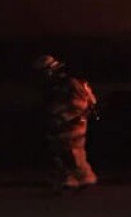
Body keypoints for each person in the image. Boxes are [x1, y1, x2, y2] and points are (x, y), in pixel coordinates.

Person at [34, 55, 98, 191]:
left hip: (73, 121)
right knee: (62, 149)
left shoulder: (70, 83)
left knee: (72, 150)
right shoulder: (55, 85)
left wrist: (63, 115)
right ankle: (73, 178)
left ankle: (82, 177)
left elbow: (79, 103)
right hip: (63, 121)